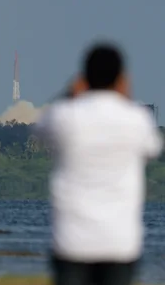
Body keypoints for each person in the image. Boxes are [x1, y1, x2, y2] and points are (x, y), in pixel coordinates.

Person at [34, 42, 163, 285]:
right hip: (120, 243)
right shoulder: (137, 120)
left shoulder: (65, 116)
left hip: (72, 242)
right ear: (121, 79)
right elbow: (153, 148)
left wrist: (70, 93)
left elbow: (41, 130)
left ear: (84, 78)